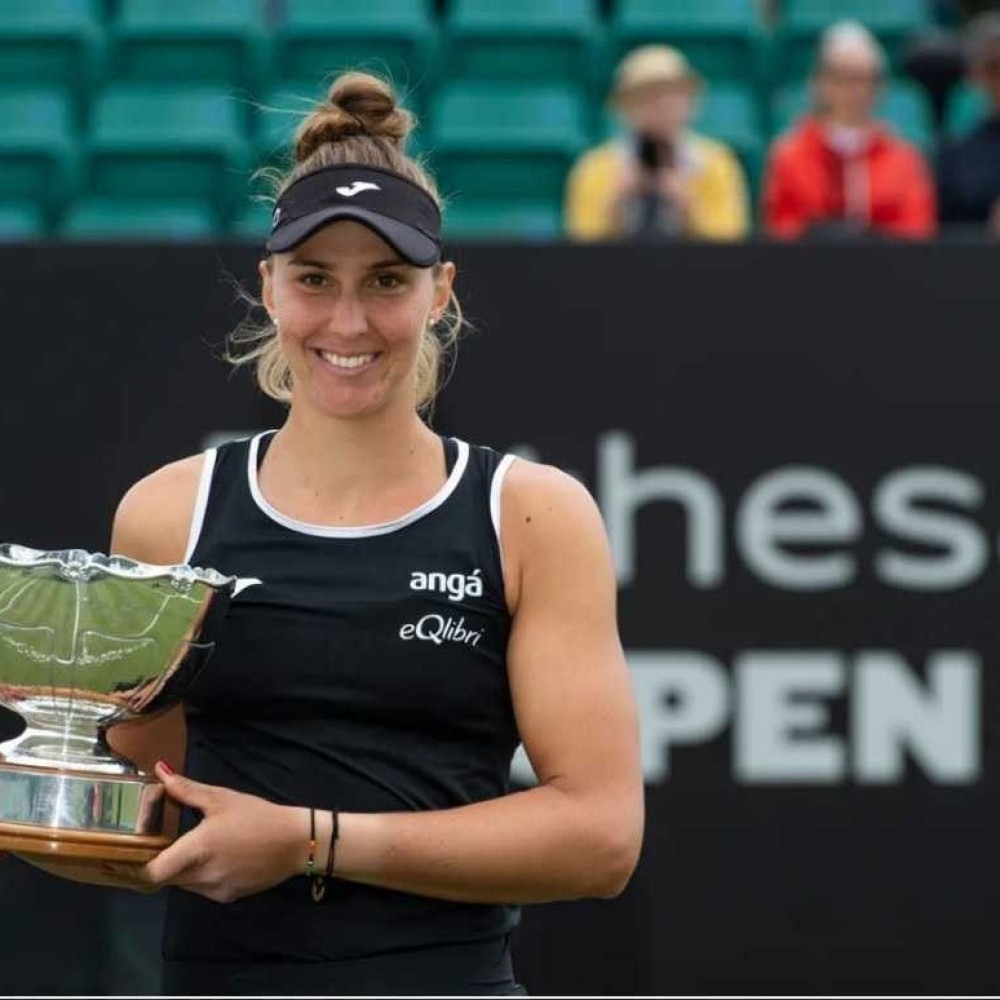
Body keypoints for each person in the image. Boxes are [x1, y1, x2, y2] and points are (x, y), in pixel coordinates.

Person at [17, 72, 645, 995]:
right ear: (269, 285)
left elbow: (600, 839)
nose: (348, 322)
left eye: (386, 282)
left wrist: (311, 843)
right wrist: (51, 805)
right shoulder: (166, 513)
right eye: (315, 280)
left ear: (440, 292)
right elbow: (155, 802)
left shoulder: (530, 515)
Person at [763, 21, 937, 240]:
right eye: (840, 78)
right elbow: (782, 231)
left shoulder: (904, 160)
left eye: (862, 80)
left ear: (879, 88)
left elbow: (916, 233)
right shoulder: (790, 156)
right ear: (819, 84)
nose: (852, 91)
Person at [564, 44, 750, 242]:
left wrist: (688, 208)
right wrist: (616, 205)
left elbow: (731, 244)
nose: (663, 106)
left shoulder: (717, 163)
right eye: (648, 97)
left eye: (673, 95)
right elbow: (579, 247)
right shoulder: (594, 168)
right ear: (626, 108)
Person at [936, 10, 1000, 235]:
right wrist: (986, 229)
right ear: (977, 75)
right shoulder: (956, 160)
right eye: (995, 67)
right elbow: (940, 238)